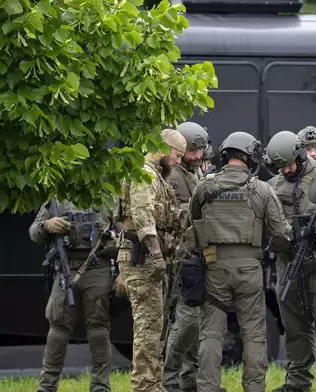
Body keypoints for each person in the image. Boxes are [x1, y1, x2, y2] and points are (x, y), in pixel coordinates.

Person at [188, 132, 292, 392]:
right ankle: (254, 388)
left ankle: (207, 387)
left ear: (225, 155)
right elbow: (282, 234)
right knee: (254, 333)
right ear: (249, 157)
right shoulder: (261, 189)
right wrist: (269, 251)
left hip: (214, 266)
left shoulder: (205, 186)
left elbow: (191, 223)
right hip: (250, 268)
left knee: (211, 332)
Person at [265, 131, 316, 392]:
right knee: (293, 323)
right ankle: (297, 380)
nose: (285, 169)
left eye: (288, 163)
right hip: (288, 262)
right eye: (279, 166)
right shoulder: (274, 184)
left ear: (299, 156)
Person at [116, 129, 186, 392]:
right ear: (164, 149)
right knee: (148, 329)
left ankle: (154, 385)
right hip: (144, 260)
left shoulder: (156, 176)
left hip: (152, 262)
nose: (178, 161)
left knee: (158, 327)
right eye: (177, 155)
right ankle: (145, 387)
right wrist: (156, 254)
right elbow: (143, 216)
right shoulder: (144, 174)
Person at [30, 200, 116, 392]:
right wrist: (47, 225)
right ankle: (47, 386)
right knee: (58, 326)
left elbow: (123, 229)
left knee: (99, 327)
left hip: (97, 268)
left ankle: (100, 386)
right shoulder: (58, 198)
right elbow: (34, 232)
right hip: (65, 268)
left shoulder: (107, 195)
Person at [164, 121, 209, 392]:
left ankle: (188, 380)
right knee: (186, 321)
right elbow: (172, 215)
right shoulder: (172, 176)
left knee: (196, 323)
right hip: (179, 259)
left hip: (195, 257)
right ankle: (169, 379)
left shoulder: (196, 174)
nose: (196, 156)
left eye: (200, 150)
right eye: (191, 151)